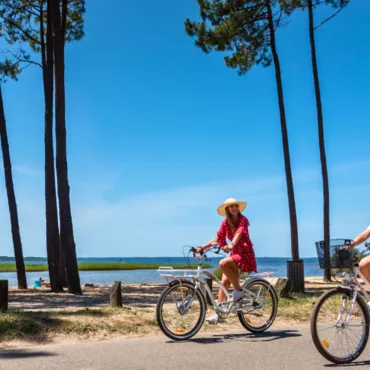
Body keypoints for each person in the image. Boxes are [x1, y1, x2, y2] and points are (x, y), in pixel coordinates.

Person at [195, 197, 257, 323]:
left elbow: (240, 232)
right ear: (227, 209)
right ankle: (219, 314)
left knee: (223, 263)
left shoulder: (243, 219)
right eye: (231, 206)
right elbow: (218, 237)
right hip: (235, 254)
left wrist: (232, 244)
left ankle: (239, 291)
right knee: (223, 283)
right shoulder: (225, 223)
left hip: (245, 254)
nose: (234, 208)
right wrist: (202, 247)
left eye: (236, 206)